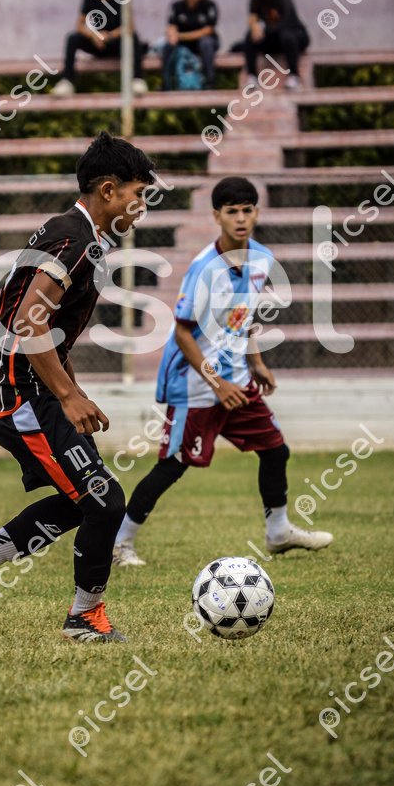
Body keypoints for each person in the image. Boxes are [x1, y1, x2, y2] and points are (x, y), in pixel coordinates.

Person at [0, 132, 156, 643]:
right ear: (108, 190)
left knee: (84, 499)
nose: (141, 206)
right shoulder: (76, 242)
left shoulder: (70, 233)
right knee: (104, 501)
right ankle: (84, 617)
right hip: (21, 396)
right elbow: (31, 323)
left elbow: (43, 327)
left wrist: (71, 389)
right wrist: (67, 396)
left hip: (29, 391)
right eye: (137, 194)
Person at [113, 175, 333, 568]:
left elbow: (243, 316)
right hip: (196, 386)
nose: (241, 218)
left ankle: (278, 532)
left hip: (237, 380)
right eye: (232, 211)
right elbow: (182, 332)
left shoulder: (262, 259)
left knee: (275, 450)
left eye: (247, 210)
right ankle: (119, 542)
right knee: (173, 465)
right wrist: (217, 385)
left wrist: (256, 362)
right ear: (217, 216)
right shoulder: (204, 269)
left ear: (257, 213)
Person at [51, 0, 147, 97]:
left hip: (116, 45)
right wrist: (94, 36)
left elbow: (129, 26)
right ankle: (67, 81)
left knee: (133, 38)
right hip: (97, 45)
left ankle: (137, 80)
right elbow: (79, 25)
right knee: (72, 38)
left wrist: (109, 36)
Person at [242, 0, 309, 90]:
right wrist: (255, 29)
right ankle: (252, 77)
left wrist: (265, 30)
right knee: (249, 36)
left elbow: (287, 21)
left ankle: (294, 76)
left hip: (294, 36)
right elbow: (252, 20)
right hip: (272, 39)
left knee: (286, 35)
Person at [163, 0, 220, 89]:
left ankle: (210, 81)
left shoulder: (209, 5)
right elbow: (171, 25)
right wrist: (172, 35)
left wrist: (181, 36)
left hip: (203, 42)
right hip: (183, 43)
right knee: (167, 46)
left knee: (206, 43)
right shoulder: (177, 6)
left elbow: (208, 30)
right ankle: (166, 83)